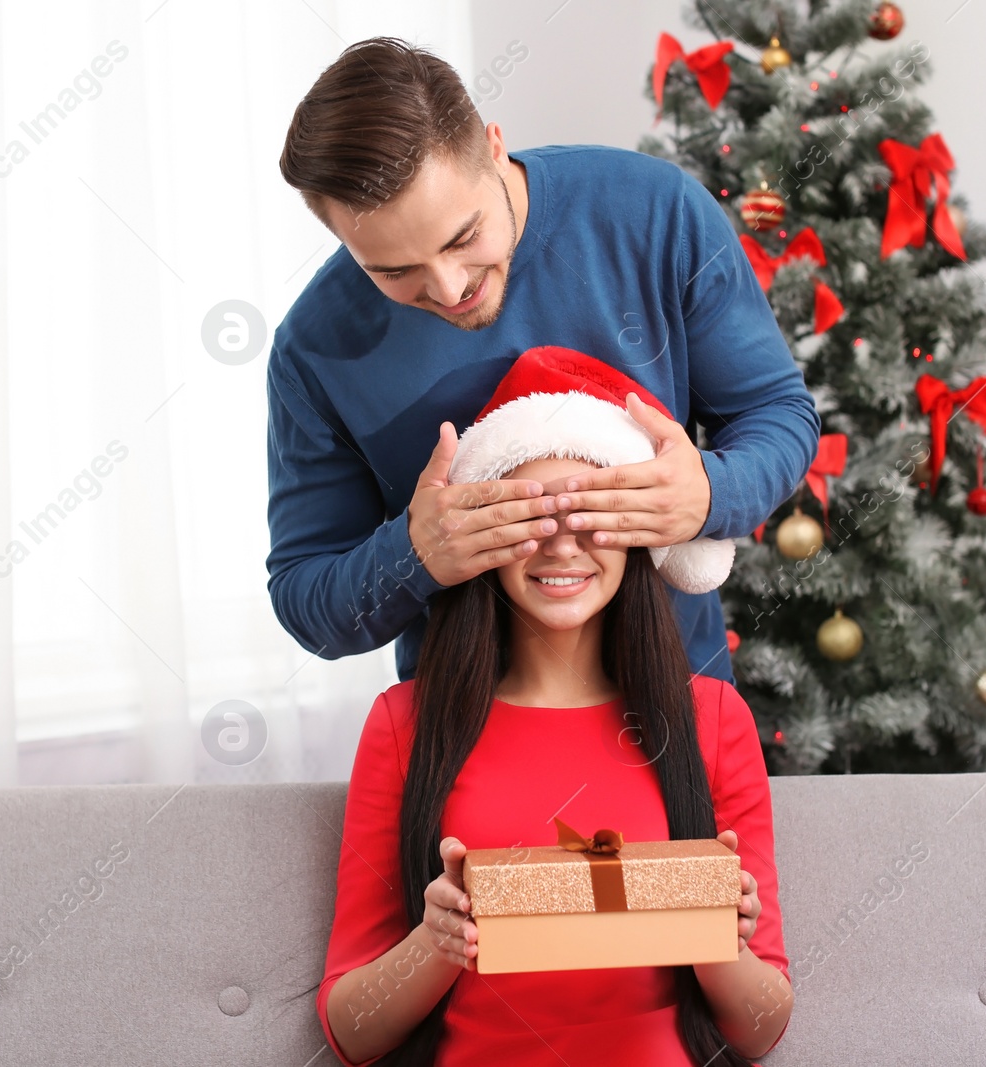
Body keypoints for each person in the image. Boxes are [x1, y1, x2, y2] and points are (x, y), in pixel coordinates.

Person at [267, 36, 821, 686]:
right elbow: (308, 600)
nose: (449, 288)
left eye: (464, 237)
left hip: (676, 707)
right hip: (464, 738)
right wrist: (416, 554)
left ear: (494, 147)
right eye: (394, 270)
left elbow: (779, 413)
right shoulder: (315, 345)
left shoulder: (655, 212)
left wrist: (709, 492)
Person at [315, 350, 793, 1066]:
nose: (561, 545)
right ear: (484, 535)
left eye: (590, 514)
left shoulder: (714, 720)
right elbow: (351, 1032)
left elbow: (761, 1027)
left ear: (636, 532)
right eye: (530, 517)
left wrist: (717, 938)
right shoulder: (403, 725)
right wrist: (436, 943)